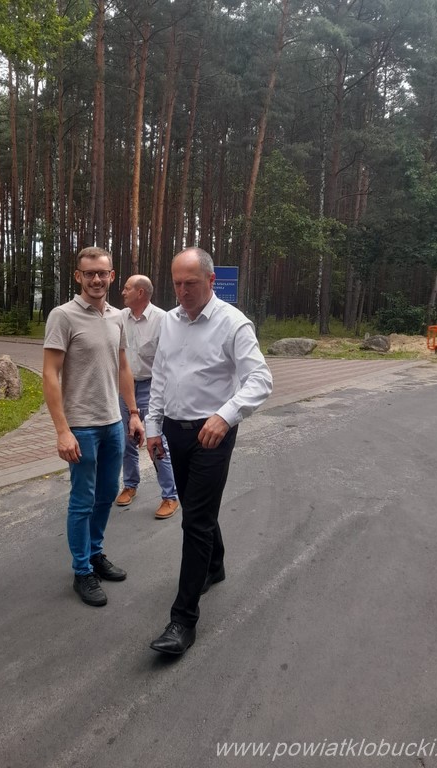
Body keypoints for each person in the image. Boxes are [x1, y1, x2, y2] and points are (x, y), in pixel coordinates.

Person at [145, 247, 273, 655]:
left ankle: (183, 621)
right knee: (195, 509)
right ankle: (214, 565)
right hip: (175, 431)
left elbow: (260, 380)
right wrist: (153, 427)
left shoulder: (233, 323)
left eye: (191, 283)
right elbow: (161, 375)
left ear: (211, 281)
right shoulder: (169, 321)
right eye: (177, 284)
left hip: (212, 434)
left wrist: (226, 415)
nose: (183, 292)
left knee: (195, 522)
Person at [43, 246, 144, 608]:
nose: (96, 279)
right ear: (78, 277)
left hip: (113, 423)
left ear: (112, 276)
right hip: (81, 428)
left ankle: (96, 553)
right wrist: (62, 430)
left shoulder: (118, 318)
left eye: (102, 273)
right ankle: (82, 570)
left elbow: (123, 367)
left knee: (106, 494)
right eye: (89, 273)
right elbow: (50, 374)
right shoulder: (63, 316)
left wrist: (134, 413)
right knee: (82, 501)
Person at [116, 274, 180, 520]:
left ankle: (170, 496)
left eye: (127, 288)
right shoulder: (120, 318)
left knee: (156, 441)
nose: (123, 292)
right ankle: (130, 485)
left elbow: (171, 358)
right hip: (125, 387)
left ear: (140, 292)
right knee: (127, 440)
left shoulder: (163, 320)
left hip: (152, 387)